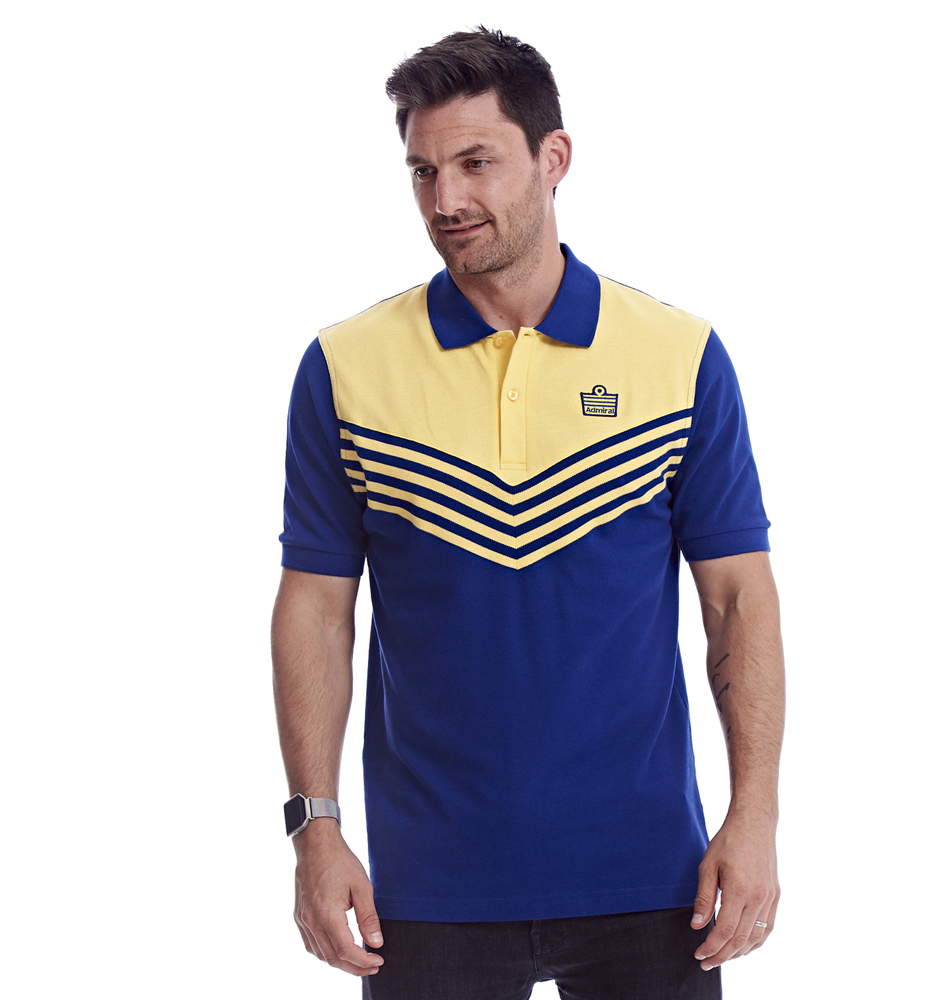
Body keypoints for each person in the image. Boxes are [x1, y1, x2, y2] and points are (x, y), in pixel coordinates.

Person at [272, 26, 784, 1000]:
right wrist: (315, 827)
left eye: (476, 163)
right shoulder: (345, 367)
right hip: (423, 891)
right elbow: (316, 609)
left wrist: (753, 815)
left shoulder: (677, 357)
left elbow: (736, 601)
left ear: (554, 158)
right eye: (423, 171)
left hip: (653, 880)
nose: (445, 201)